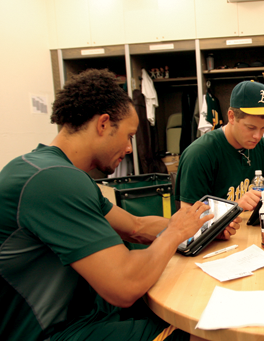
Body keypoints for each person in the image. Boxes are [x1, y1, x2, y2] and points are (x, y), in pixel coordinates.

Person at [0, 69, 218, 341]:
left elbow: (136, 227)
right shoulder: (53, 180)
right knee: (202, 330)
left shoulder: (53, 170)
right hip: (54, 333)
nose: (129, 148)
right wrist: (175, 233)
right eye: (129, 136)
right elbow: (125, 285)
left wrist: (202, 227)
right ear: (103, 124)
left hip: (84, 316)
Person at [176, 81, 264, 212]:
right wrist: (234, 207)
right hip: (219, 232)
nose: (258, 136)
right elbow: (188, 216)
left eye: (263, 128)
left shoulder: (263, 147)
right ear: (231, 116)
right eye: (251, 128)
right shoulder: (199, 154)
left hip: (251, 230)